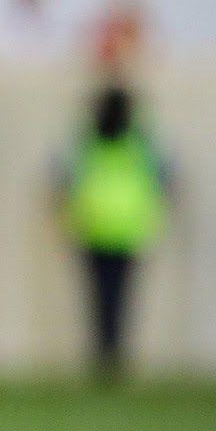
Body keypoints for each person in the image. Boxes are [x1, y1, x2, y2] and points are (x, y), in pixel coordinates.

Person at [57, 82, 171, 383]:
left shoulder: (87, 142)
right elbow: (164, 179)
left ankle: (104, 353)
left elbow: (63, 179)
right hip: (129, 228)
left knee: (100, 295)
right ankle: (115, 353)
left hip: (92, 227)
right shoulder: (140, 143)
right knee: (121, 295)